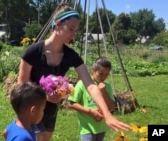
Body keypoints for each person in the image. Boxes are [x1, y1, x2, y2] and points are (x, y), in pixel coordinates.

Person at [17, 3, 130, 141]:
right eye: (71, 29)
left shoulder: (70, 55)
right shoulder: (33, 52)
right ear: (58, 24)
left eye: (75, 30)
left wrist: (107, 114)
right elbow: (21, 86)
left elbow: (91, 85)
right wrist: (44, 95)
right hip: (31, 108)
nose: (73, 34)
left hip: (50, 110)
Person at [68, 57, 116, 141]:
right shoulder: (82, 84)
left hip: (102, 127)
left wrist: (103, 92)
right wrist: (90, 112)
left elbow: (111, 107)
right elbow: (71, 104)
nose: (103, 77)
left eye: (106, 74)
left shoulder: (106, 86)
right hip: (87, 127)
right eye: (100, 73)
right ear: (93, 70)